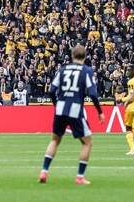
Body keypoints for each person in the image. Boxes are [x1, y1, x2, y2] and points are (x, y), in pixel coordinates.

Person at [39, 45, 104, 186]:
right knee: (87, 143)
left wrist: (57, 105)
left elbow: (51, 90)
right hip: (75, 109)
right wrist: (100, 112)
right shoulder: (86, 70)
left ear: (72, 55)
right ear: (85, 56)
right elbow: (93, 93)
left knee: (55, 140)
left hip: (60, 109)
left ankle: (44, 171)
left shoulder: (63, 69)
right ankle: (80, 177)